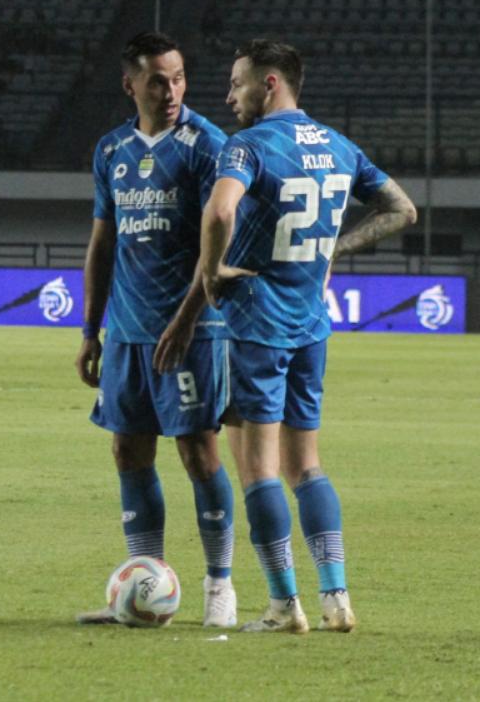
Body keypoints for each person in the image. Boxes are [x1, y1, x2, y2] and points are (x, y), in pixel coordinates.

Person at [199, 39, 417, 633]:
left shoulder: (248, 146)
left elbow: (220, 213)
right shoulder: (339, 146)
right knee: (308, 466)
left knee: (258, 470)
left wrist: (214, 272)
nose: (229, 95)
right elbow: (403, 210)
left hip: (258, 323)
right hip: (311, 324)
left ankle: (282, 604)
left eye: (238, 83)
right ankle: (336, 597)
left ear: (270, 83)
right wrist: (334, 250)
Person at [74, 32, 238, 628]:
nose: (170, 90)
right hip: (128, 332)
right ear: (130, 85)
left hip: (192, 329)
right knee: (127, 451)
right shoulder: (111, 149)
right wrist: (91, 330)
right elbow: (102, 243)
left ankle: (219, 584)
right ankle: (147, 584)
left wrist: (188, 317)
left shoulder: (206, 145)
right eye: (156, 80)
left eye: (177, 78)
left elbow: (216, 245)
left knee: (197, 453)